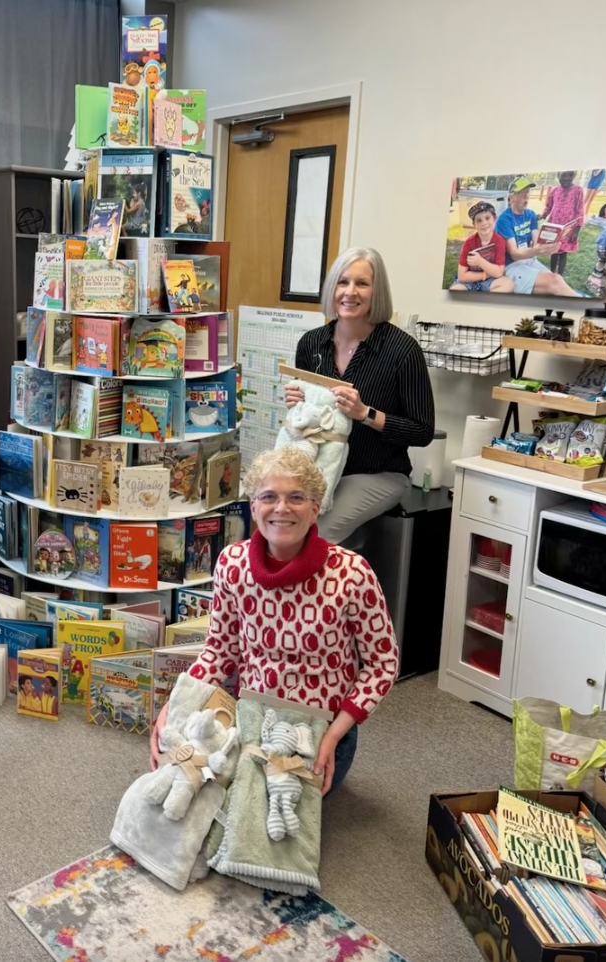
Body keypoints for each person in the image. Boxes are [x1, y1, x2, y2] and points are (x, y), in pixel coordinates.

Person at [149, 448, 399, 794]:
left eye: (296, 497)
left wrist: (335, 734)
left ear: (316, 508)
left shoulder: (351, 573)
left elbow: (382, 664)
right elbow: (220, 651)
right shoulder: (232, 564)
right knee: (191, 790)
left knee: (267, 818)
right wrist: (174, 707)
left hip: (320, 730)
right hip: (250, 719)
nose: (281, 508)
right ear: (254, 507)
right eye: (269, 497)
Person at [285, 247, 436, 547]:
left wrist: (365, 414)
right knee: (272, 518)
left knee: (314, 534)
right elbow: (308, 421)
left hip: (377, 472)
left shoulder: (402, 351)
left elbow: (422, 431)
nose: (350, 292)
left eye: (362, 284)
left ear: (376, 291)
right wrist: (296, 405)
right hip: (318, 466)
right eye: (342, 282)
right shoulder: (311, 343)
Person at [495, 176, 580, 297]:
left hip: (528, 260)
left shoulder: (530, 214)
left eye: (528, 192)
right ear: (512, 197)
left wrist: (548, 246)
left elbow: (536, 241)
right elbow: (513, 253)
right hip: (511, 266)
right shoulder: (504, 219)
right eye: (522, 193)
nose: (526, 196)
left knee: (557, 279)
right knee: (555, 282)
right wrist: (536, 251)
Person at [450, 201, 513, 292]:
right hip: (470, 281)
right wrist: (486, 275)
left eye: (487, 218)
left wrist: (480, 261)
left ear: (494, 219)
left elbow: (499, 272)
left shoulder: (499, 241)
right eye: (479, 220)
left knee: (508, 284)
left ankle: (484, 303)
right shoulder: (469, 243)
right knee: (455, 290)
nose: (484, 223)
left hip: (490, 281)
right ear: (474, 225)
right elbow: (462, 276)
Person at [541, 171, 588, 277]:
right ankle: (552, 273)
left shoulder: (578, 191)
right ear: (558, 175)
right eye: (563, 175)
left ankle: (560, 276)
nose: (566, 178)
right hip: (554, 227)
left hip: (568, 229)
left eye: (570, 175)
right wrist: (542, 215)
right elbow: (548, 207)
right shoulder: (555, 191)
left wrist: (576, 230)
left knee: (563, 253)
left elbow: (580, 211)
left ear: (574, 175)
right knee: (554, 251)